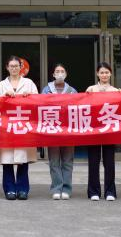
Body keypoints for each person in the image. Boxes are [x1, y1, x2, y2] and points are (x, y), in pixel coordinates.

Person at [0, 56, 38, 201]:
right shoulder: (1, 85)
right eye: (11, 66)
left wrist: (29, 96)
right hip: (7, 126)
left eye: (16, 66)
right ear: (7, 67)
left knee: (23, 160)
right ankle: (10, 189)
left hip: (23, 126)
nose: (14, 68)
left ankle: (23, 189)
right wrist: (4, 96)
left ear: (21, 67)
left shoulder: (29, 83)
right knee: (7, 161)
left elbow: (38, 102)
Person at [42, 63, 77, 200]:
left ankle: (66, 189)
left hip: (68, 131)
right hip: (52, 130)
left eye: (62, 71)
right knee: (54, 161)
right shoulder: (46, 90)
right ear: (53, 74)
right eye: (57, 71)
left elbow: (78, 108)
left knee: (67, 161)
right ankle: (57, 188)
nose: (60, 73)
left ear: (66, 74)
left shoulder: (72, 91)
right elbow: (40, 106)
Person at [86, 62, 119, 201]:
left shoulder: (116, 91)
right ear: (97, 74)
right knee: (93, 161)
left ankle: (110, 191)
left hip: (109, 130)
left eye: (106, 72)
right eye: (102, 72)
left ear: (110, 74)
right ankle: (93, 191)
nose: (104, 75)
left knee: (109, 162)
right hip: (93, 130)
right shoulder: (91, 89)